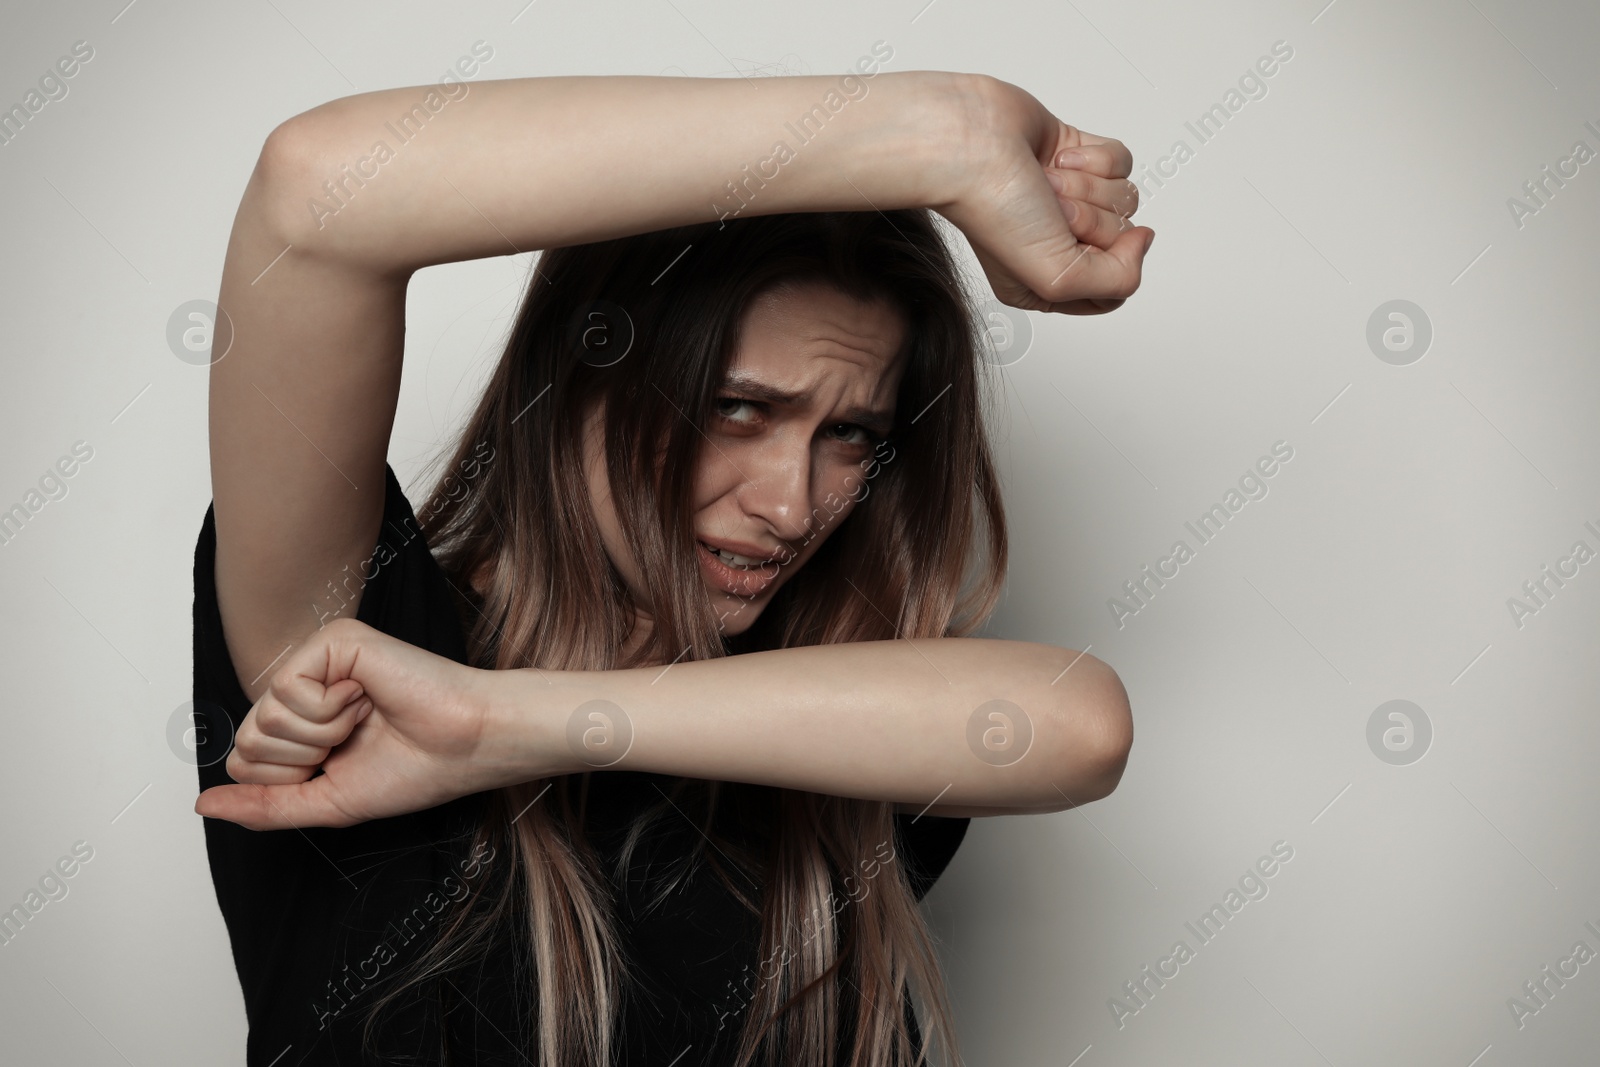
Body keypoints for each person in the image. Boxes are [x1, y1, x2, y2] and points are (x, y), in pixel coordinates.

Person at [190, 68, 1152, 1067]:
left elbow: (1079, 723)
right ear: (583, 380)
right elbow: (316, 192)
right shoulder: (357, 654)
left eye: (852, 434)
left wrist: (497, 725)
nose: (791, 505)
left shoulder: (829, 737)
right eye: (738, 407)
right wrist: (934, 134)